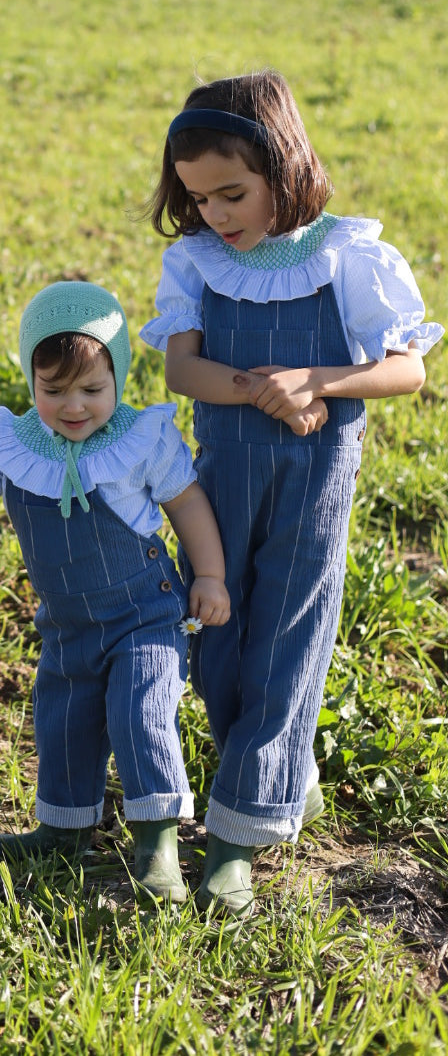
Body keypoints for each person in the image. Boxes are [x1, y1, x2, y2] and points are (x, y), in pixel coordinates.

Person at [143, 69, 443, 917]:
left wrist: (317, 378)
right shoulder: (197, 260)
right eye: (201, 199)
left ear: (284, 166)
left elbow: (408, 368)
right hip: (221, 483)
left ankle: (237, 840)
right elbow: (181, 366)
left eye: (232, 193)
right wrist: (261, 389)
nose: (217, 215)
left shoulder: (351, 255)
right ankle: (287, 773)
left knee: (289, 642)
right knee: (220, 643)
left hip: (315, 485)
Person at [0, 281, 230, 904]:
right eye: (53, 391)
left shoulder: (140, 441)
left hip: (144, 615)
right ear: (31, 380)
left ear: (119, 379)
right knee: (63, 721)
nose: (73, 406)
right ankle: (63, 827)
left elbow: (187, 504)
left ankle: (158, 840)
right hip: (67, 624)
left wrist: (209, 576)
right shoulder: (15, 446)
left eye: (91, 390)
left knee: (142, 717)